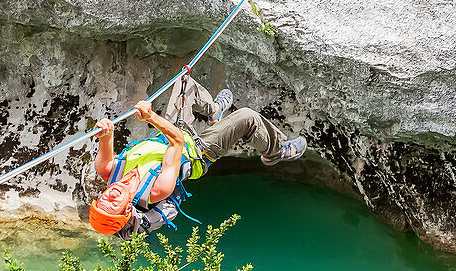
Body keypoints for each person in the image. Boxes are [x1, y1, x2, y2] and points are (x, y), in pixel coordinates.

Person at [88, 78, 307, 240]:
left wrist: (104, 130)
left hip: (171, 133)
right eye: (113, 205)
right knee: (246, 117)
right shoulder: (156, 190)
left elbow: (107, 137)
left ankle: (213, 112)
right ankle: (275, 150)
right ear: (127, 210)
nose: (109, 197)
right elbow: (176, 143)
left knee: (185, 84)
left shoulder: (108, 170)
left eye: (103, 201)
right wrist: (152, 117)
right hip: (197, 152)